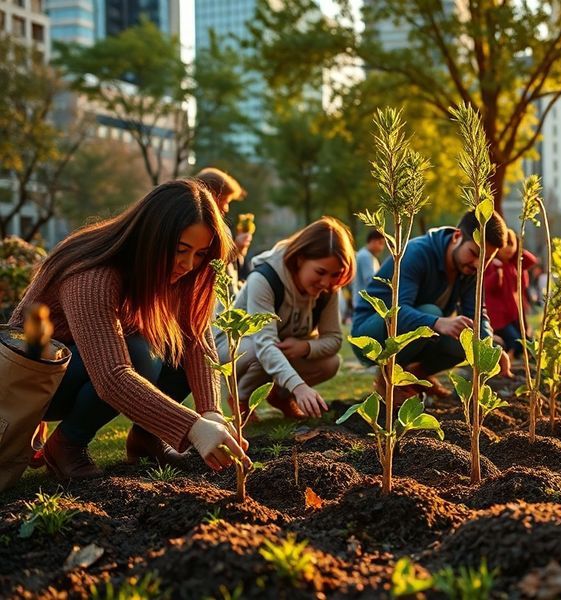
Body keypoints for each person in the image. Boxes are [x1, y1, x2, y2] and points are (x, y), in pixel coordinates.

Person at [8, 180, 251, 480]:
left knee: (173, 347)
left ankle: (148, 439)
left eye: (200, 254)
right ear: (152, 237)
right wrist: (194, 428)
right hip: (31, 385)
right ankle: (67, 445)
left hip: (78, 369)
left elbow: (197, 338)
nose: (188, 264)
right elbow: (112, 375)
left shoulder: (168, 272)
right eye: (181, 250)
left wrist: (211, 411)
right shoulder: (91, 272)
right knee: (139, 353)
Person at [351, 210, 513, 402]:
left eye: (485, 260)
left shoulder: (470, 270)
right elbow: (399, 311)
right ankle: (389, 380)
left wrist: (493, 349)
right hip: (372, 332)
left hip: (417, 330)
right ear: (457, 237)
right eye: (474, 253)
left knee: (467, 334)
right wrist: (437, 322)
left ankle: (417, 377)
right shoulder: (417, 252)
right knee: (431, 312)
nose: (478, 264)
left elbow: (477, 315)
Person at [217, 217, 355, 420]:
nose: (326, 282)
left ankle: (280, 396)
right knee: (259, 350)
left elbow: (334, 339)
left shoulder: (328, 287)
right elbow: (264, 344)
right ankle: (241, 398)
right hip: (238, 348)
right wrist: (299, 387)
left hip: (282, 346)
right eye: (320, 272)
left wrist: (305, 347)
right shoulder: (264, 279)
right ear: (300, 259)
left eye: (335, 274)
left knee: (330, 363)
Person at [484, 229, 538, 358]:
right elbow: (487, 286)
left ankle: (518, 358)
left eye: (511, 243)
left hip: (513, 313)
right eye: (504, 244)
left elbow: (531, 260)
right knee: (515, 342)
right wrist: (497, 274)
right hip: (498, 317)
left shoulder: (513, 264)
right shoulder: (491, 263)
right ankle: (504, 357)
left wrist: (518, 250)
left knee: (527, 342)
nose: (508, 248)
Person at [196, 167, 250, 291]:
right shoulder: (204, 228)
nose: (227, 208)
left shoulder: (222, 227)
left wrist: (238, 251)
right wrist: (236, 249)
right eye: (225, 200)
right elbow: (212, 264)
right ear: (211, 196)